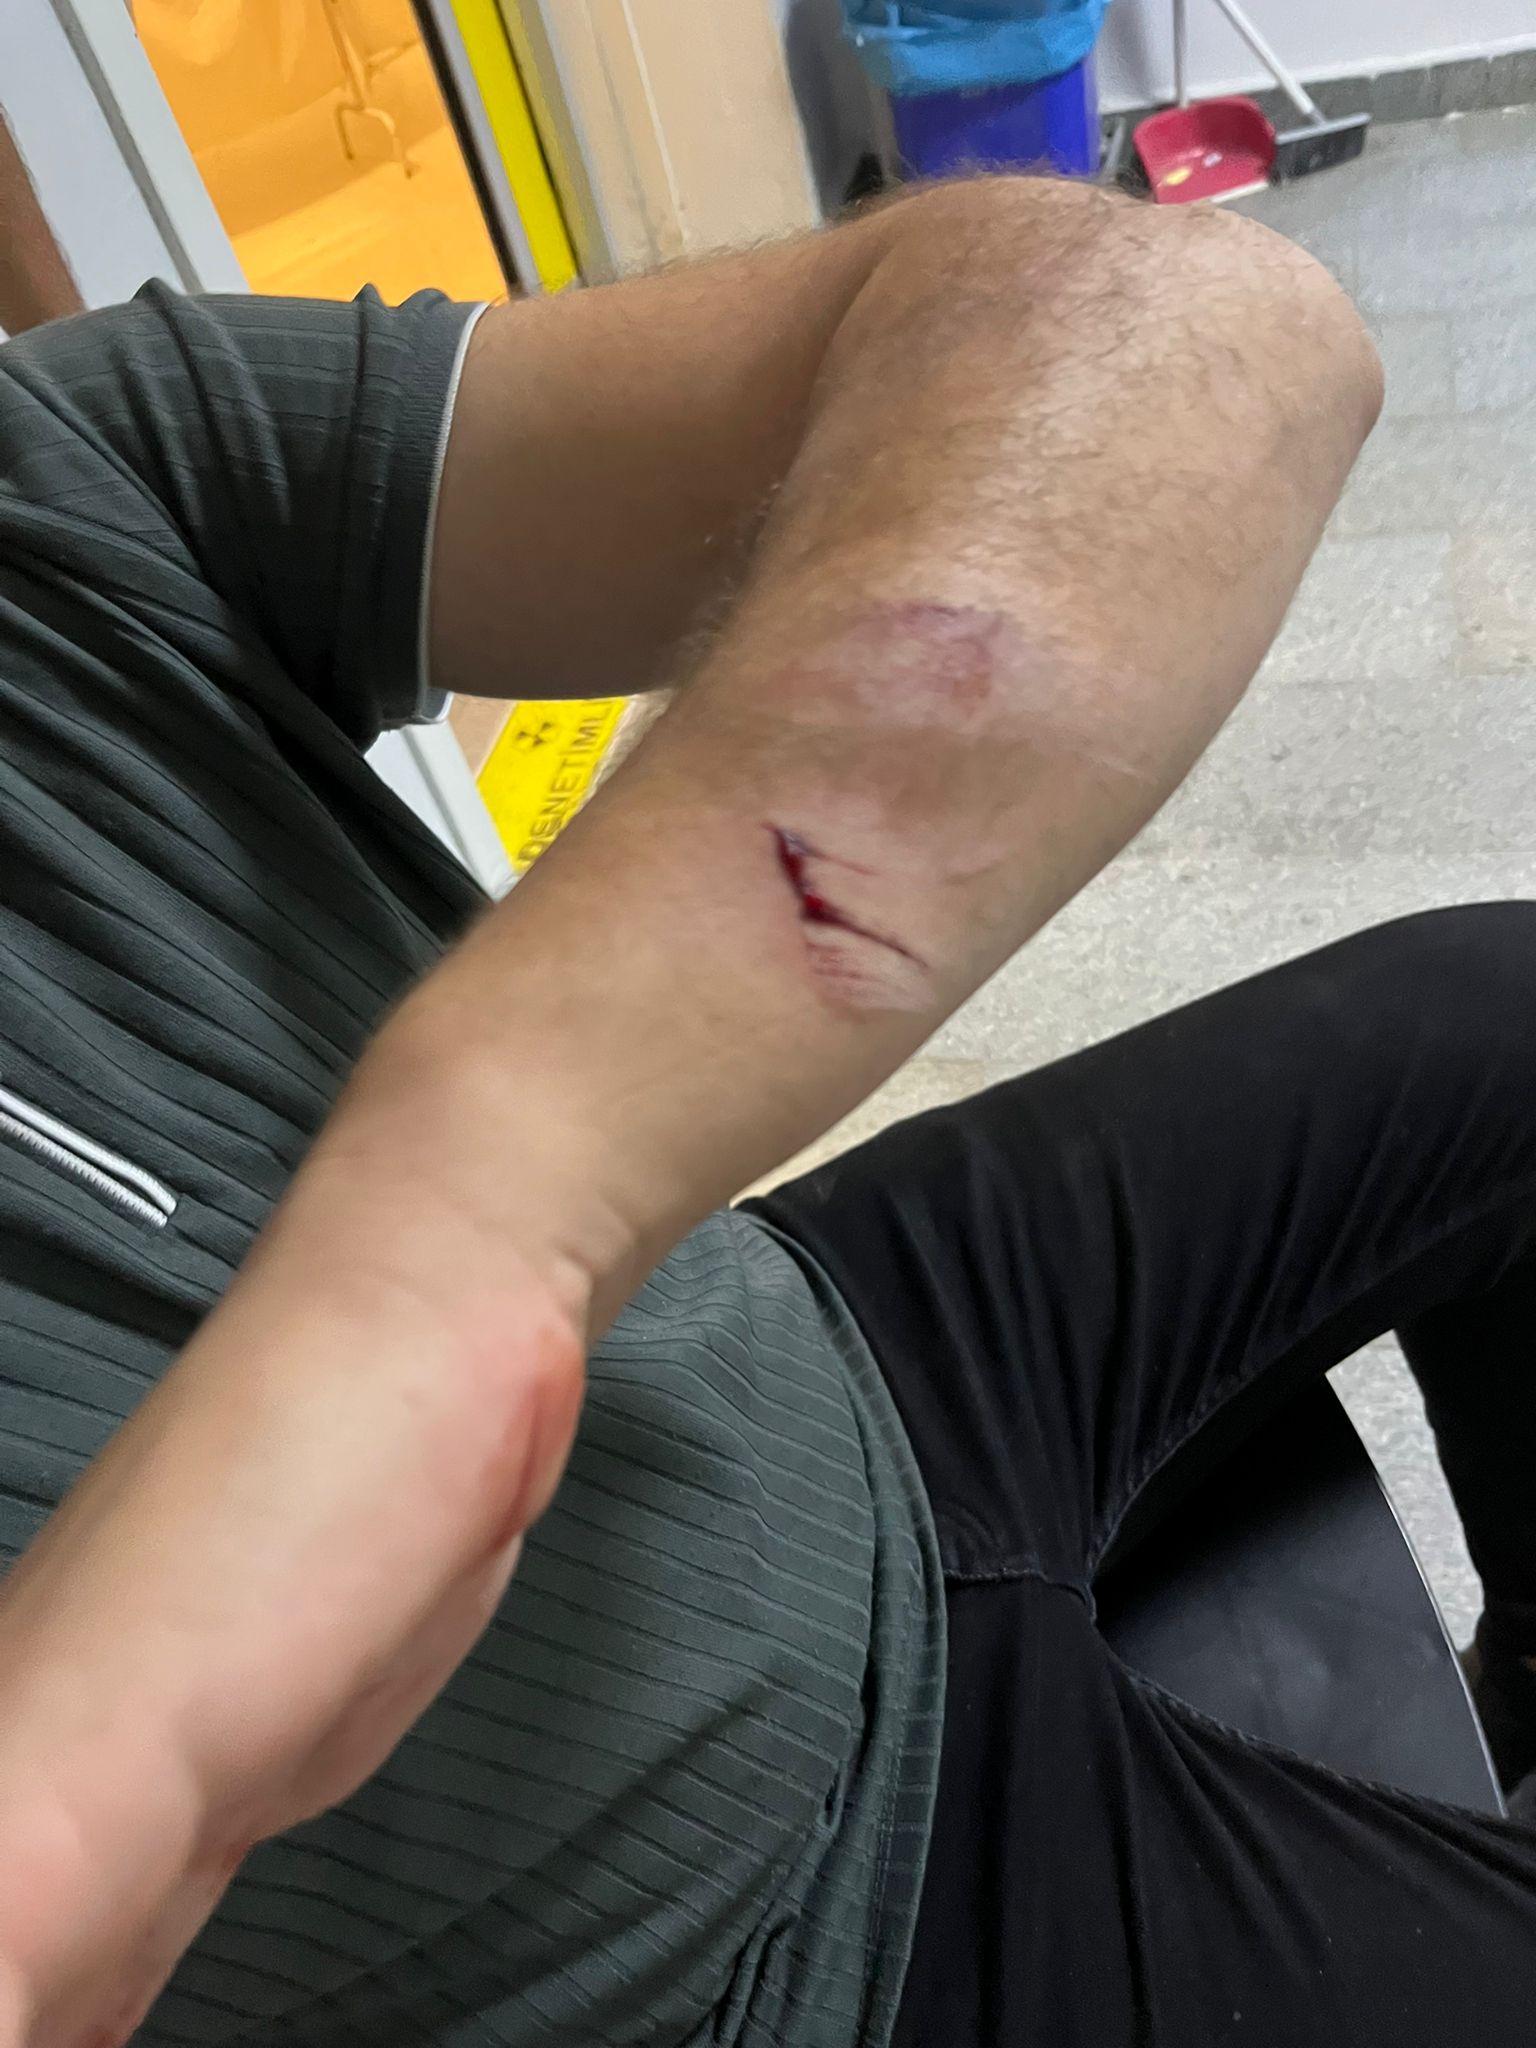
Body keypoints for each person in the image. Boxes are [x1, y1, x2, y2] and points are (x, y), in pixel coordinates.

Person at [0, 167, 1531, 2048]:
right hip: (765, 1972)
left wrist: (463, 1232)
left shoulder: (46, 487)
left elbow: (1212, 334)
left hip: (835, 1360)